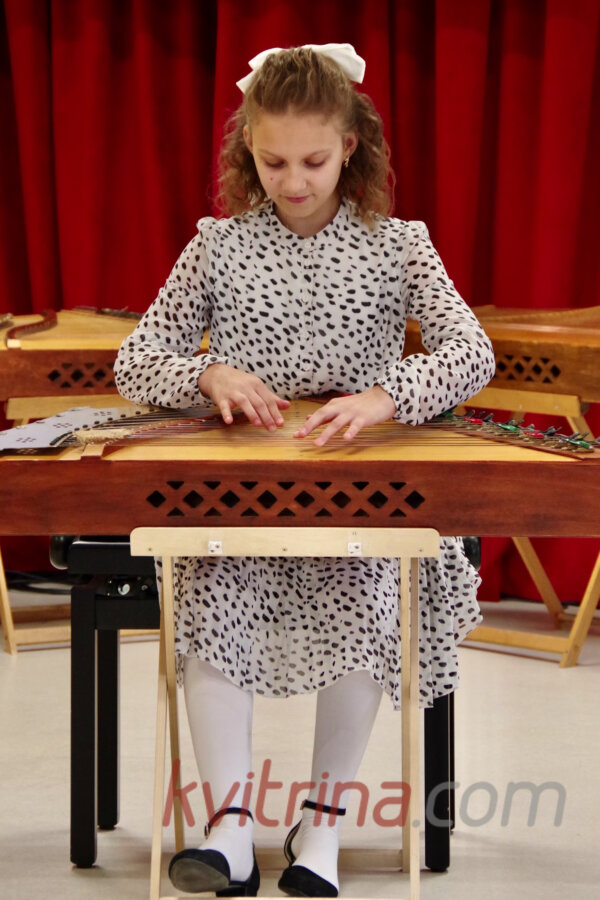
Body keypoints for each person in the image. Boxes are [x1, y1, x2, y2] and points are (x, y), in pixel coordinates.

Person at [115, 43, 495, 898]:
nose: (293, 181)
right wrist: (207, 374)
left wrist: (388, 396)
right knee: (209, 588)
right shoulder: (218, 246)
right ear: (247, 148)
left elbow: (473, 352)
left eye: (314, 161)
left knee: (369, 593)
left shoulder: (399, 246)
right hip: (241, 495)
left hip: (356, 489)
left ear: (351, 146)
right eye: (273, 160)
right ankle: (229, 833)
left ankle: (322, 827)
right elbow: (135, 360)